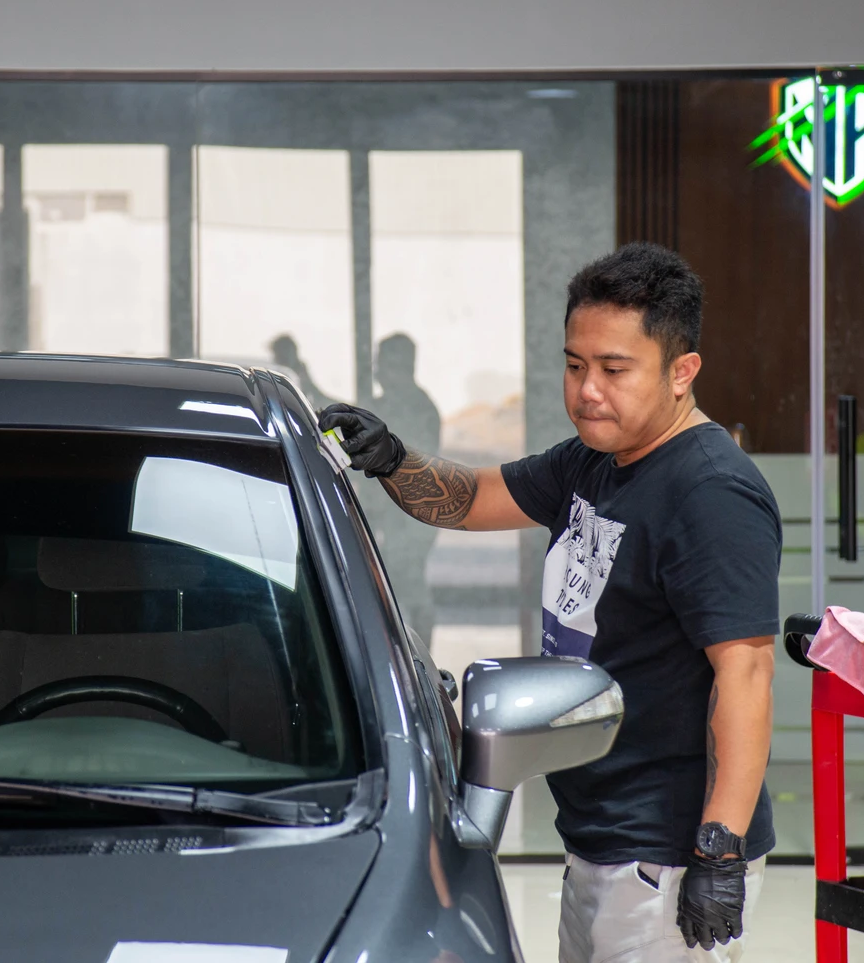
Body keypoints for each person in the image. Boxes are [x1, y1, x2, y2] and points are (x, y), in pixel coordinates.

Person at [320, 243, 779, 963]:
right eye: (575, 365)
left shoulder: (711, 493)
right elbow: (472, 499)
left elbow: (746, 676)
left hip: (668, 854)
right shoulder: (594, 460)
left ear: (682, 371)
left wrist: (716, 852)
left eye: (615, 370)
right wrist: (390, 459)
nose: (588, 390)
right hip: (600, 836)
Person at [271, 332, 443, 640]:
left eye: (383, 363)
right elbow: (339, 415)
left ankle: (418, 652)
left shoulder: (416, 408)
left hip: (409, 516)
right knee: (398, 585)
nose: (377, 370)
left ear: (403, 365)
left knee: (410, 584)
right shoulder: (392, 405)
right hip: (395, 515)